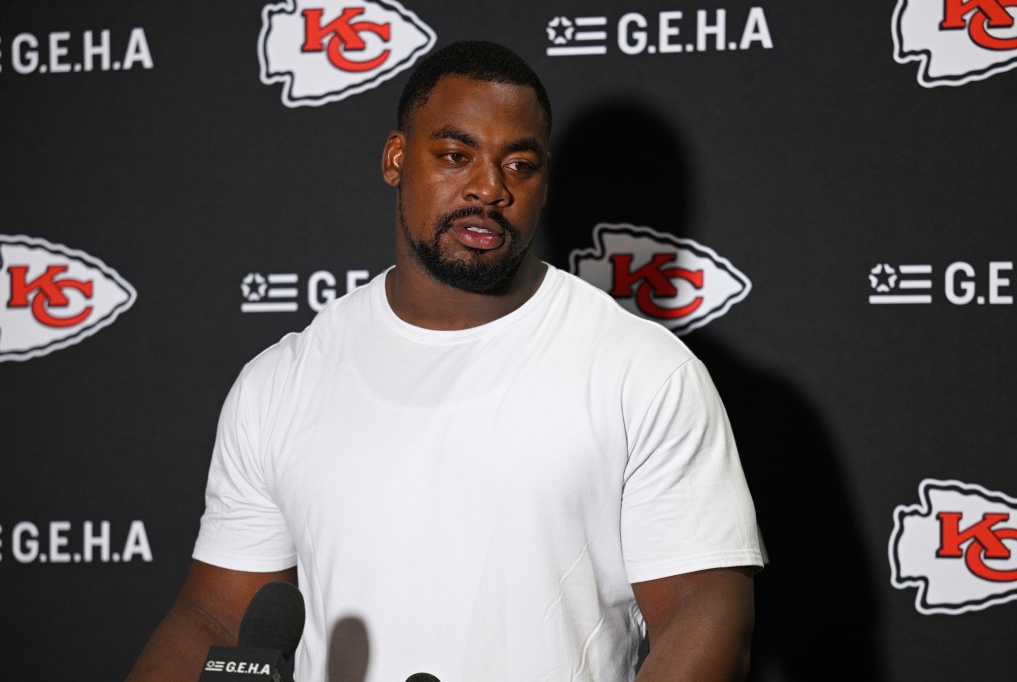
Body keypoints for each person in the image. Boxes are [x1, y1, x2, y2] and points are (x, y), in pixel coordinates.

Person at [127, 40, 762, 681]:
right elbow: (213, 617)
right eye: (456, 156)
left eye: (520, 164)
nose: (489, 188)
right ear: (396, 159)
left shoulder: (644, 371)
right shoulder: (280, 383)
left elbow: (703, 609)